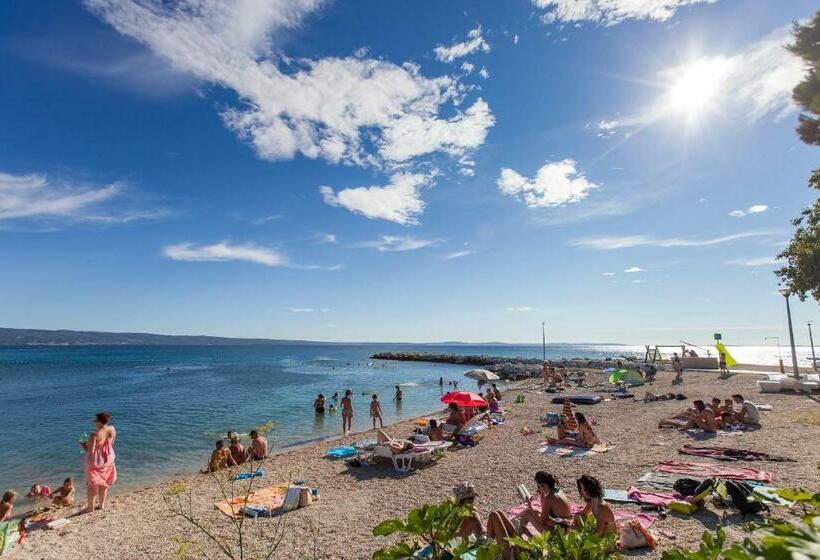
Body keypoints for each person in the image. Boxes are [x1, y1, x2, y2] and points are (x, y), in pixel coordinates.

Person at [81, 411, 117, 513]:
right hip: (108, 459)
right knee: (104, 483)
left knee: (91, 485)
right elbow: (112, 442)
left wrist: (83, 444)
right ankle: (101, 505)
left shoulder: (94, 435)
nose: (94, 422)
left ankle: (90, 508)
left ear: (100, 422)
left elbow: (90, 451)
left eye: (95, 420)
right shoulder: (112, 429)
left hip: (95, 462)